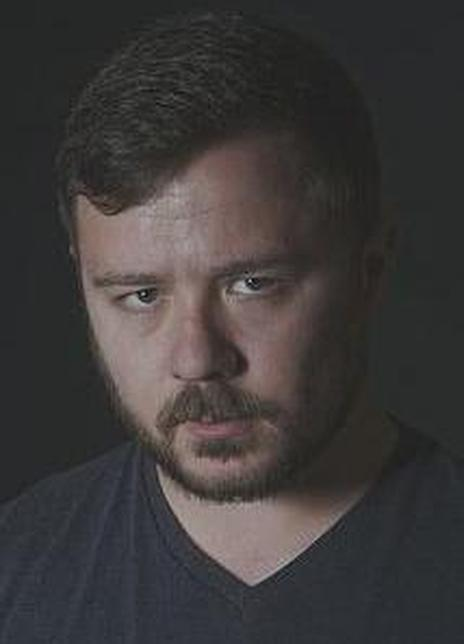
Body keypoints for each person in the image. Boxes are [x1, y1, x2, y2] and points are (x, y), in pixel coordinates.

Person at [1, 10, 463, 643]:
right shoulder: (16, 574)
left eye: (252, 284)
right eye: (141, 295)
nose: (196, 358)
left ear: (370, 270)